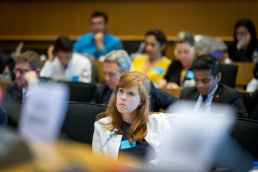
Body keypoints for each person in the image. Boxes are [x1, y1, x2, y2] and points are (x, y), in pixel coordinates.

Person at [92, 71, 171, 162]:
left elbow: (170, 160)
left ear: (141, 100)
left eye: (130, 93)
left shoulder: (160, 122)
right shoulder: (101, 126)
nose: (123, 97)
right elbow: (97, 164)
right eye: (121, 91)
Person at [94, 50, 176, 112]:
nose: (106, 78)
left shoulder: (143, 88)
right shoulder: (102, 90)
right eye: (105, 73)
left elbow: (176, 104)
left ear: (125, 73)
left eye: (111, 74)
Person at [180, 54, 248, 118]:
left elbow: (241, 125)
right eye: (196, 80)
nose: (200, 85)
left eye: (205, 80)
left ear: (218, 77)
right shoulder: (186, 94)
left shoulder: (231, 97)